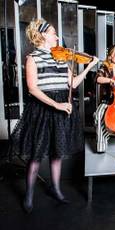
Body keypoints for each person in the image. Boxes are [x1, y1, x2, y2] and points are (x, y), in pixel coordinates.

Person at [11, 19, 98, 213]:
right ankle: (29, 194)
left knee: (57, 153)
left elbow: (73, 84)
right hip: (43, 110)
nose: (57, 37)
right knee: (36, 155)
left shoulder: (60, 58)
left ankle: (56, 189)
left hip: (61, 109)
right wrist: (56, 104)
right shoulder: (32, 58)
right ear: (42, 35)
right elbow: (33, 89)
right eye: (53, 33)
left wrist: (89, 66)